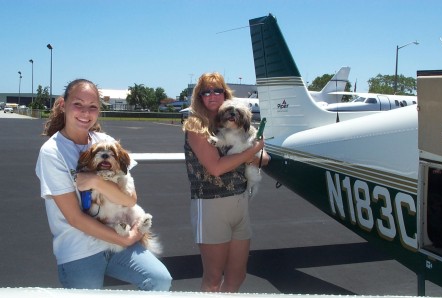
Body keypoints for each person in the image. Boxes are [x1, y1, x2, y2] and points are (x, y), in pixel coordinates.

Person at [35, 79, 172, 290]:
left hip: (118, 239)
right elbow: (74, 217)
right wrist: (125, 239)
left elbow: (130, 199)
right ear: (63, 105)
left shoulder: (104, 140)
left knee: (160, 279)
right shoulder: (52, 152)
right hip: (79, 250)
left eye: (93, 107)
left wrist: (95, 181)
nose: (85, 112)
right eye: (78, 104)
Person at [182, 72, 270, 292]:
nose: (212, 95)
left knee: (237, 275)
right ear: (199, 97)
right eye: (206, 92)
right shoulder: (196, 126)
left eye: (217, 90)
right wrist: (252, 151)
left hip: (240, 203)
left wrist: (255, 153)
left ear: (225, 93)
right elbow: (216, 167)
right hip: (211, 205)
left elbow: (265, 159)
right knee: (213, 279)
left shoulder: (239, 120)